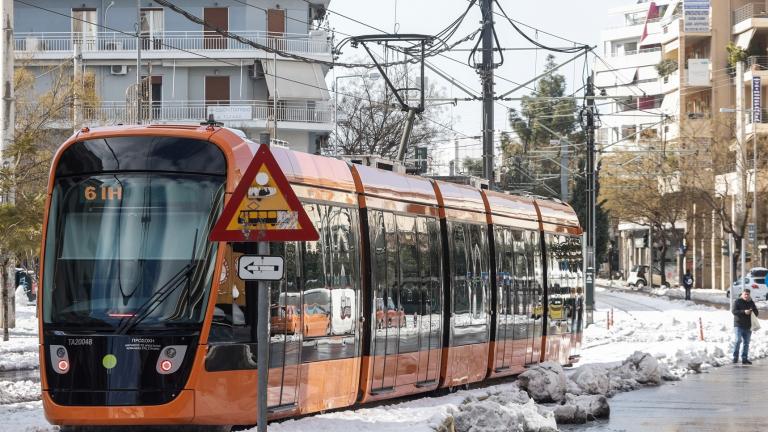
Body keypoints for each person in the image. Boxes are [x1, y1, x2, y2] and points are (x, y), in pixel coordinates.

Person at [732, 288, 759, 365]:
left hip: (748, 326)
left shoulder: (751, 302)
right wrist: (744, 311)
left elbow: (756, 312)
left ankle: (744, 358)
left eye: (748, 294)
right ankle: (735, 357)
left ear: (749, 295)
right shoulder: (737, 301)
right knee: (737, 340)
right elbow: (734, 311)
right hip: (739, 325)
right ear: (742, 294)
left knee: (746, 343)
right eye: (745, 294)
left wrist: (752, 312)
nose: (746, 296)